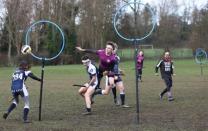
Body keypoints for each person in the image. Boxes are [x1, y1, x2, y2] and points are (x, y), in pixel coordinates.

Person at [109, 43, 130, 107]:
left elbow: (116, 66)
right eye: (113, 49)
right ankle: (115, 98)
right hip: (110, 75)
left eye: (115, 49)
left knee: (121, 88)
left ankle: (123, 104)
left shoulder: (117, 57)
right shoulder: (108, 57)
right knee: (112, 86)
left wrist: (120, 71)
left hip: (117, 74)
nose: (114, 50)